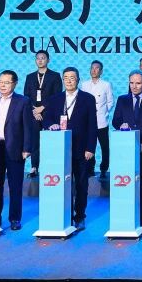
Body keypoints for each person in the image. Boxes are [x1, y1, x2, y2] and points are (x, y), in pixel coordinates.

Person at [0, 70, 37, 230]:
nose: (2, 85)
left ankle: (15, 219)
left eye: (7, 82)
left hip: (15, 148)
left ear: (15, 84)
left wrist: (27, 148)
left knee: (15, 186)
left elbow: (28, 127)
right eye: (0, 82)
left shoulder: (23, 101)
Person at [44, 67, 98, 229]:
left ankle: (79, 216)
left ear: (78, 80)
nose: (69, 80)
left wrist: (90, 148)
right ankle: (65, 216)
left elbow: (92, 125)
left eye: (72, 78)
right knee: (62, 184)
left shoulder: (88, 98)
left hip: (81, 150)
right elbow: (47, 120)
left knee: (81, 185)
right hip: (60, 150)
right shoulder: (55, 99)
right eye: (66, 77)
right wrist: (51, 125)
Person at [112, 70, 142, 231]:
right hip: (125, 150)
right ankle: (125, 218)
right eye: (132, 83)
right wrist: (121, 125)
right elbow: (115, 121)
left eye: (138, 83)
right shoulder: (122, 99)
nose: (134, 86)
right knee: (124, 184)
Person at [80, 60, 115, 175]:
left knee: (104, 146)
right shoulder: (84, 84)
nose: (94, 70)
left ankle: (104, 168)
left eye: (96, 68)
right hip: (87, 121)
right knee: (90, 145)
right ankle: (90, 168)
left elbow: (110, 102)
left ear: (101, 71)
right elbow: (82, 101)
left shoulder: (106, 84)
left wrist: (103, 112)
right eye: (92, 68)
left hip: (101, 120)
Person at [23, 50, 62, 128]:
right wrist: (35, 111)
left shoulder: (55, 76)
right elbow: (26, 95)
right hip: (33, 112)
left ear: (48, 60)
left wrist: (42, 107)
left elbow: (57, 95)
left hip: (49, 111)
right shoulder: (30, 77)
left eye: (43, 58)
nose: (40, 60)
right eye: (37, 58)